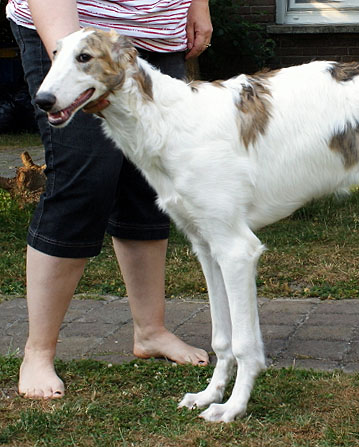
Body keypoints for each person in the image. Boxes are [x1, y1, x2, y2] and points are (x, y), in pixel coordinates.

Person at [6, 0, 213, 399]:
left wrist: (198, 5)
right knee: (85, 181)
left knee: (148, 185)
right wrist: (73, 63)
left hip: (156, 35)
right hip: (73, 26)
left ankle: (151, 331)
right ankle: (38, 352)